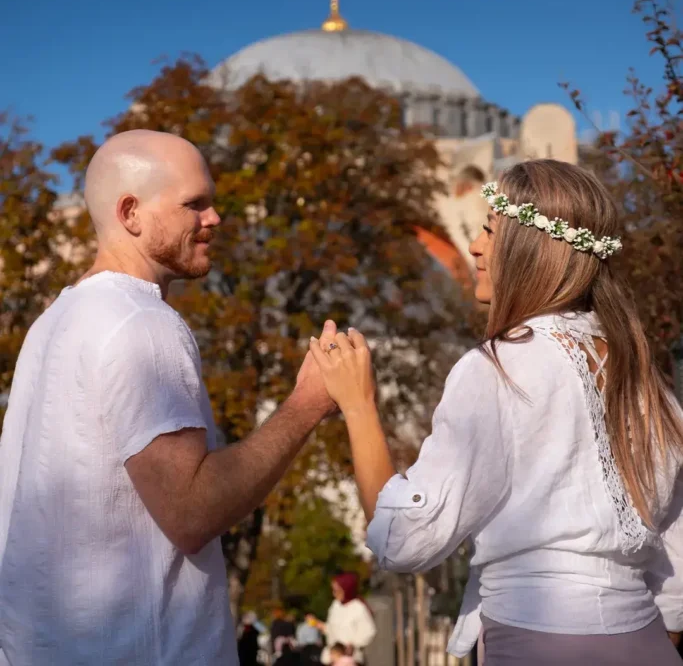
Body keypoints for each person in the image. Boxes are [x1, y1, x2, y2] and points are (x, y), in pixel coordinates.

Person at [309, 160, 683, 665]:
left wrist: (357, 405)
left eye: (489, 230)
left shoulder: (499, 368)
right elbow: (674, 559)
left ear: (528, 249)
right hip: (647, 643)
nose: (474, 247)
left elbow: (404, 540)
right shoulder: (645, 376)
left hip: (536, 640)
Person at [0, 129, 337, 666]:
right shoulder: (141, 323)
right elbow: (190, 511)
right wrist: (308, 404)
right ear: (130, 212)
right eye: (194, 204)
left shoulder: (52, 324)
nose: (215, 219)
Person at [324, 574, 376, 664]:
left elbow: (369, 631)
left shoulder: (358, 607)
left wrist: (354, 644)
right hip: (334, 657)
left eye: (337, 591)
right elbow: (330, 628)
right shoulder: (335, 606)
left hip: (350, 659)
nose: (334, 594)